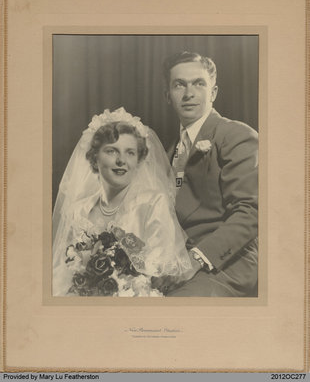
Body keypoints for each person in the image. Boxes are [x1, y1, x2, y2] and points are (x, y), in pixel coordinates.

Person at [52, 107, 194, 296]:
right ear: (95, 158)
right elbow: (61, 271)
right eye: (111, 151)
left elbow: (160, 270)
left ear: (139, 160)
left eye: (130, 153)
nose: (121, 160)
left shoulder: (152, 203)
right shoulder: (79, 210)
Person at [162, 51, 258, 297]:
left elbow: (250, 211)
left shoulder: (235, 135)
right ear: (168, 97)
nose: (189, 93)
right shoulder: (168, 150)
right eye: (179, 85)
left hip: (227, 261)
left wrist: (196, 259)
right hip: (178, 262)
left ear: (213, 93)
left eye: (199, 83)